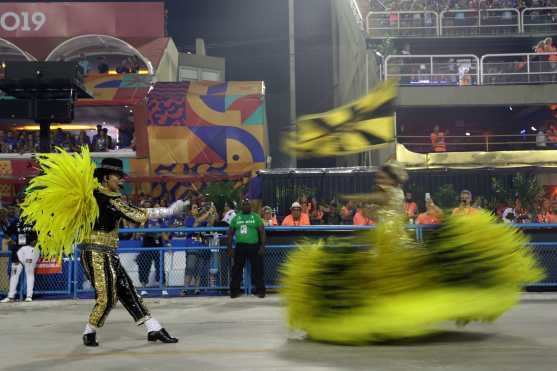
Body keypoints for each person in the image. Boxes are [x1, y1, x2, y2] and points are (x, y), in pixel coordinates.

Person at [281, 161, 542, 344]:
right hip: (384, 240)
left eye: (382, 178)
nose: (379, 181)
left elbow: (379, 203)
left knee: (393, 279)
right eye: (378, 178)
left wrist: (352, 195)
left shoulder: (394, 193)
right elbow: (375, 212)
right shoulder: (388, 195)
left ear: (392, 180)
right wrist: (363, 206)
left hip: (395, 243)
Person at [20, 152, 188, 346]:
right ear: (106, 177)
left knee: (127, 290)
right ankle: (89, 331)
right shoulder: (104, 198)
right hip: (94, 253)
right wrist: (168, 211)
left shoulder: (103, 196)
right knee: (108, 297)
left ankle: (154, 328)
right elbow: (136, 214)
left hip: (107, 253)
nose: (121, 180)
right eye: (118, 176)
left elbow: (131, 211)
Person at [227, 199, 266, 298]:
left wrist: (262, 246)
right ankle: (234, 291)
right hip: (240, 246)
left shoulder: (256, 217)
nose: (246, 206)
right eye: (244, 204)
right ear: (241, 206)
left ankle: (260, 290)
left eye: (247, 204)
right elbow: (230, 234)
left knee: (258, 269)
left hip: (254, 246)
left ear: (250, 206)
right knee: (237, 269)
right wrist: (230, 248)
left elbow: (262, 232)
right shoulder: (236, 218)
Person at [0, 211, 39, 303]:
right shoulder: (16, 221)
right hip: (17, 250)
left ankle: (29, 296)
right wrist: (10, 240)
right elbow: (7, 233)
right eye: (22, 209)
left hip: (30, 249)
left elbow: (41, 234)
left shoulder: (35, 221)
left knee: (29, 272)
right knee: (14, 273)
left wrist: (36, 241)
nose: (24, 211)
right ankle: (10, 297)